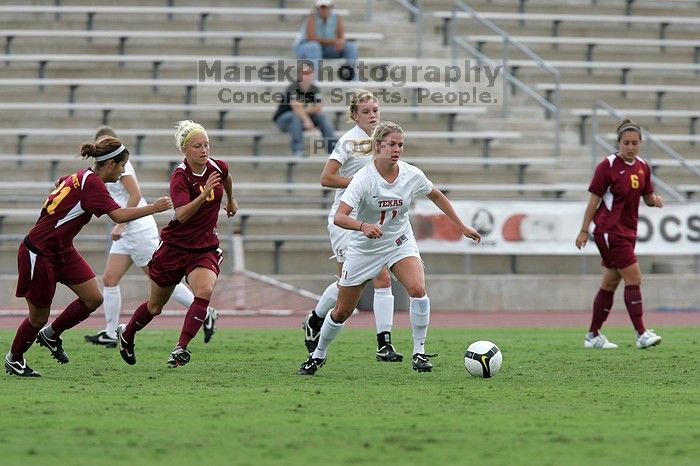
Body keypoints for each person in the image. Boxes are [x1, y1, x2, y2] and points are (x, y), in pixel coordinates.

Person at [297, 121, 482, 375]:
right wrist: (362, 226)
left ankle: (419, 352)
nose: (397, 149)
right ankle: (317, 356)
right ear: (377, 146)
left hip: (399, 242)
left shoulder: (410, 174)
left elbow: (436, 195)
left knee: (418, 289)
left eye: (400, 145)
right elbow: (340, 217)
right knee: (342, 312)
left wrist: (461, 226)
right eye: (391, 144)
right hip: (365, 249)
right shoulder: (363, 178)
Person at [4, 137, 172, 377]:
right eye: (122, 165)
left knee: (93, 298)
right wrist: (155, 207)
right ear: (111, 164)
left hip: (62, 249)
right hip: (39, 253)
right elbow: (118, 215)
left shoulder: (82, 176)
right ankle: (14, 358)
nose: (124, 170)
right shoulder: (92, 183)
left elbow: (59, 183)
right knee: (38, 317)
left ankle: (51, 335)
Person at [116, 120, 238, 368]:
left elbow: (226, 178)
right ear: (185, 150)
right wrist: (204, 195)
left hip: (204, 247)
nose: (204, 150)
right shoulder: (180, 176)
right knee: (155, 306)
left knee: (203, 291)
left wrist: (232, 201)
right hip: (175, 247)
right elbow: (181, 214)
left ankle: (181, 348)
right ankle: (126, 334)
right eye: (197, 146)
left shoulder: (217, 167)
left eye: (206, 144)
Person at [84, 126, 218, 348]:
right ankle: (110, 331)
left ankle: (203, 311)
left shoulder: (120, 164)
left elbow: (136, 194)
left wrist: (121, 224)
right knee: (110, 279)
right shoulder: (99, 167)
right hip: (126, 229)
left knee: (162, 279)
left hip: (137, 228)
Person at [302, 89, 403, 362]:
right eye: (366, 112)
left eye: (375, 110)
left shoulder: (382, 140)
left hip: (370, 219)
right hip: (345, 220)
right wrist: (360, 185)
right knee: (349, 285)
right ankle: (315, 319)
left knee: (381, 277)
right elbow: (327, 178)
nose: (372, 116)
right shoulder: (350, 141)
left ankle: (384, 343)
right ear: (354, 115)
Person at [575, 119, 663, 350]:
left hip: (627, 231)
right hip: (609, 231)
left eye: (635, 142)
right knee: (633, 278)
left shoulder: (643, 166)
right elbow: (594, 201)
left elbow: (647, 198)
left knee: (610, 283)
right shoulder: (608, 166)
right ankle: (641, 333)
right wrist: (584, 230)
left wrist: (655, 201)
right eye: (626, 142)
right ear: (619, 143)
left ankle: (592, 335)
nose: (631, 147)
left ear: (640, 143)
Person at [273, 61, 335, 157]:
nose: (308, 76)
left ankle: (332, 149)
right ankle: (298, 149)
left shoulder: (314, 88)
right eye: (305, 73)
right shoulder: (293, 87)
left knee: (322, 116)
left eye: (310, 73)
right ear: (299, 74)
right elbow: (295, 106)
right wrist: (306, 119)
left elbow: (318, 106)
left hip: (302, 119)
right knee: (294, 116)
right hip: (285, 120)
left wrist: (304, 113)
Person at [293, 0, 358, 80]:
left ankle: (350, 76)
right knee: (314, 46)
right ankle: (314, 82)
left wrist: (341, 41)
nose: (324, 9)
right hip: (305, 48)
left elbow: (341, 36)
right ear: (317, 8)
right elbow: (311, 38)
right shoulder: (311, 17)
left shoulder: (336, 17)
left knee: (351, 46)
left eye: (326, 7)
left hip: (324, 49)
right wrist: (334, 41)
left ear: (330, 7)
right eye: (322, 7)